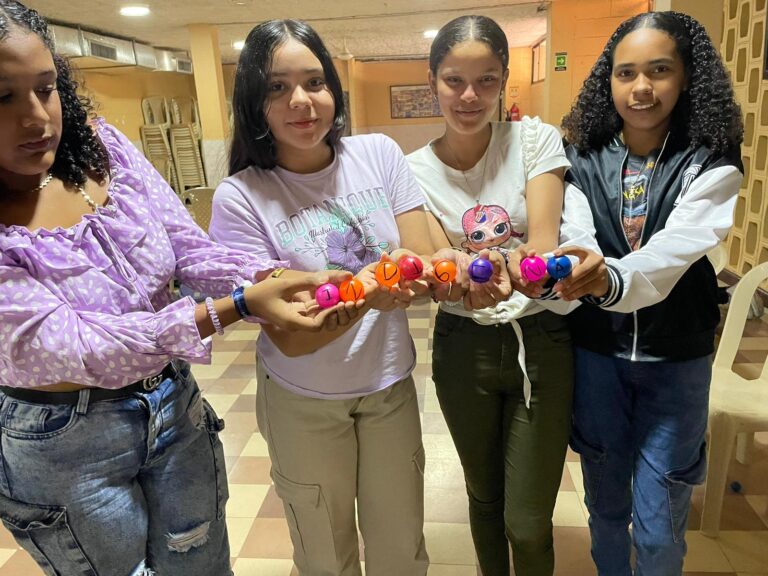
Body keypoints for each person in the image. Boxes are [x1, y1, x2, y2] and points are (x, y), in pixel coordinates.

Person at [0, 3, 350, 575]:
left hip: (173, 408)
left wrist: (270, 278)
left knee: (203, 564)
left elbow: (188, 251)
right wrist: (232, 309)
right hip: (66, 444)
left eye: (45, 88)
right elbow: (82, 344)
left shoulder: (101, 148)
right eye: (3, 97)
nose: (37, 117)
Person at [209, 19, 433, 576]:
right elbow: (290, 334)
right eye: (277, 88)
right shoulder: (241, 197)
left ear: (334, 88)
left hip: (388, 389)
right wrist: (374, 289)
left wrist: (414, 277)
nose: (302, 102)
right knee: (324, 556)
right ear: (253, 104)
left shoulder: (378, 154)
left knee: (400, 550)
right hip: (302, 400)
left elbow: (423, 261)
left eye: (315, 82)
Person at [557, 11, 744, 576]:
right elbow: (576, 234)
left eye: (659, 71)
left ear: (686, 77)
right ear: (607, 81)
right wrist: (572, 266)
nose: (641, 88)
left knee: (661, 524)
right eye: (625, 73)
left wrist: (606, 278)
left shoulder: (710, 160)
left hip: (677, 362)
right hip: (597, 357)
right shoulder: (581, 159)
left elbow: (678, 249)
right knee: (606, 509)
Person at [406, 15, 592, 576]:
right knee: (484, 499)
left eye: (487, 80)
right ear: (433, 81)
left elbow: (538, 249)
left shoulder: (534, 140)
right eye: (453, 80)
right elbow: (447, 279)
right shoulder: (411, 172)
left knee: (528, 519)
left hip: (542, 341)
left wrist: (483, 267)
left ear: (505, 80)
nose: (469, 95)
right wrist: (467, 271)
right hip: (463, 349)